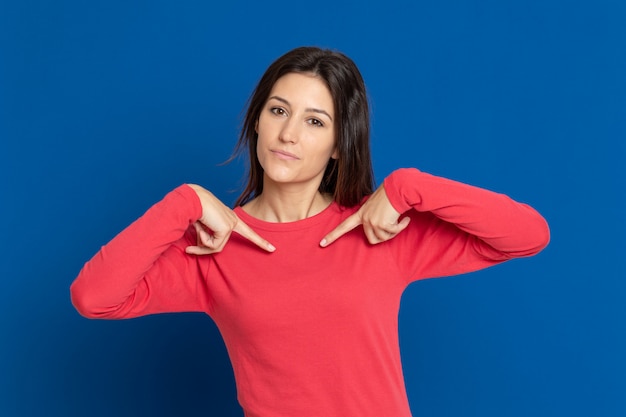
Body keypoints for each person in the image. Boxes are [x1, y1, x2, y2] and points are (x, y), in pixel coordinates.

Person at [70, 46, 550, 417]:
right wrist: (186, 202)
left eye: (314, 121)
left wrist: (410, 185)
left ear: (340, 145)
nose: (289, 134)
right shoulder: (213, 247)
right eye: (278, 111)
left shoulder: (381, 230)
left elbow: (528, 234)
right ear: (257, 120)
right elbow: (94, 297)